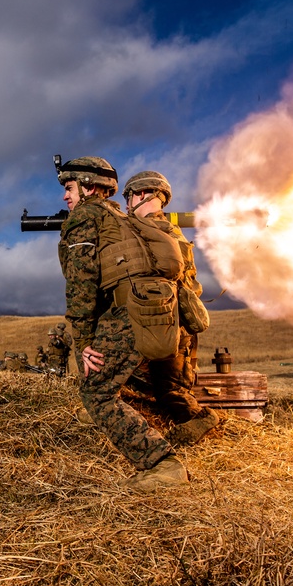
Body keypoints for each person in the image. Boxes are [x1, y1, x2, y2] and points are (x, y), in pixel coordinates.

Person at [58, 156, 189, 490]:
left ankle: (163, 465)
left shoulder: (86, 216)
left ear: (88, 188)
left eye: (69, 188)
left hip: (129, 311)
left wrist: (84, 343)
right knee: (111, 387)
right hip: (151, 309)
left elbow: (81, 284)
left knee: (96, 392)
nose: (65, 197)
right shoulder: (119, 216)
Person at [122, 171, 219, 446]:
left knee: (170, 393)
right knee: (154, 388)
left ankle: (200, 420)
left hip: (164, 324)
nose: (127, 205)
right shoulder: (170, 232)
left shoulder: (152, 234)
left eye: (129, 198)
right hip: (167, 323)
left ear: (142, 195)